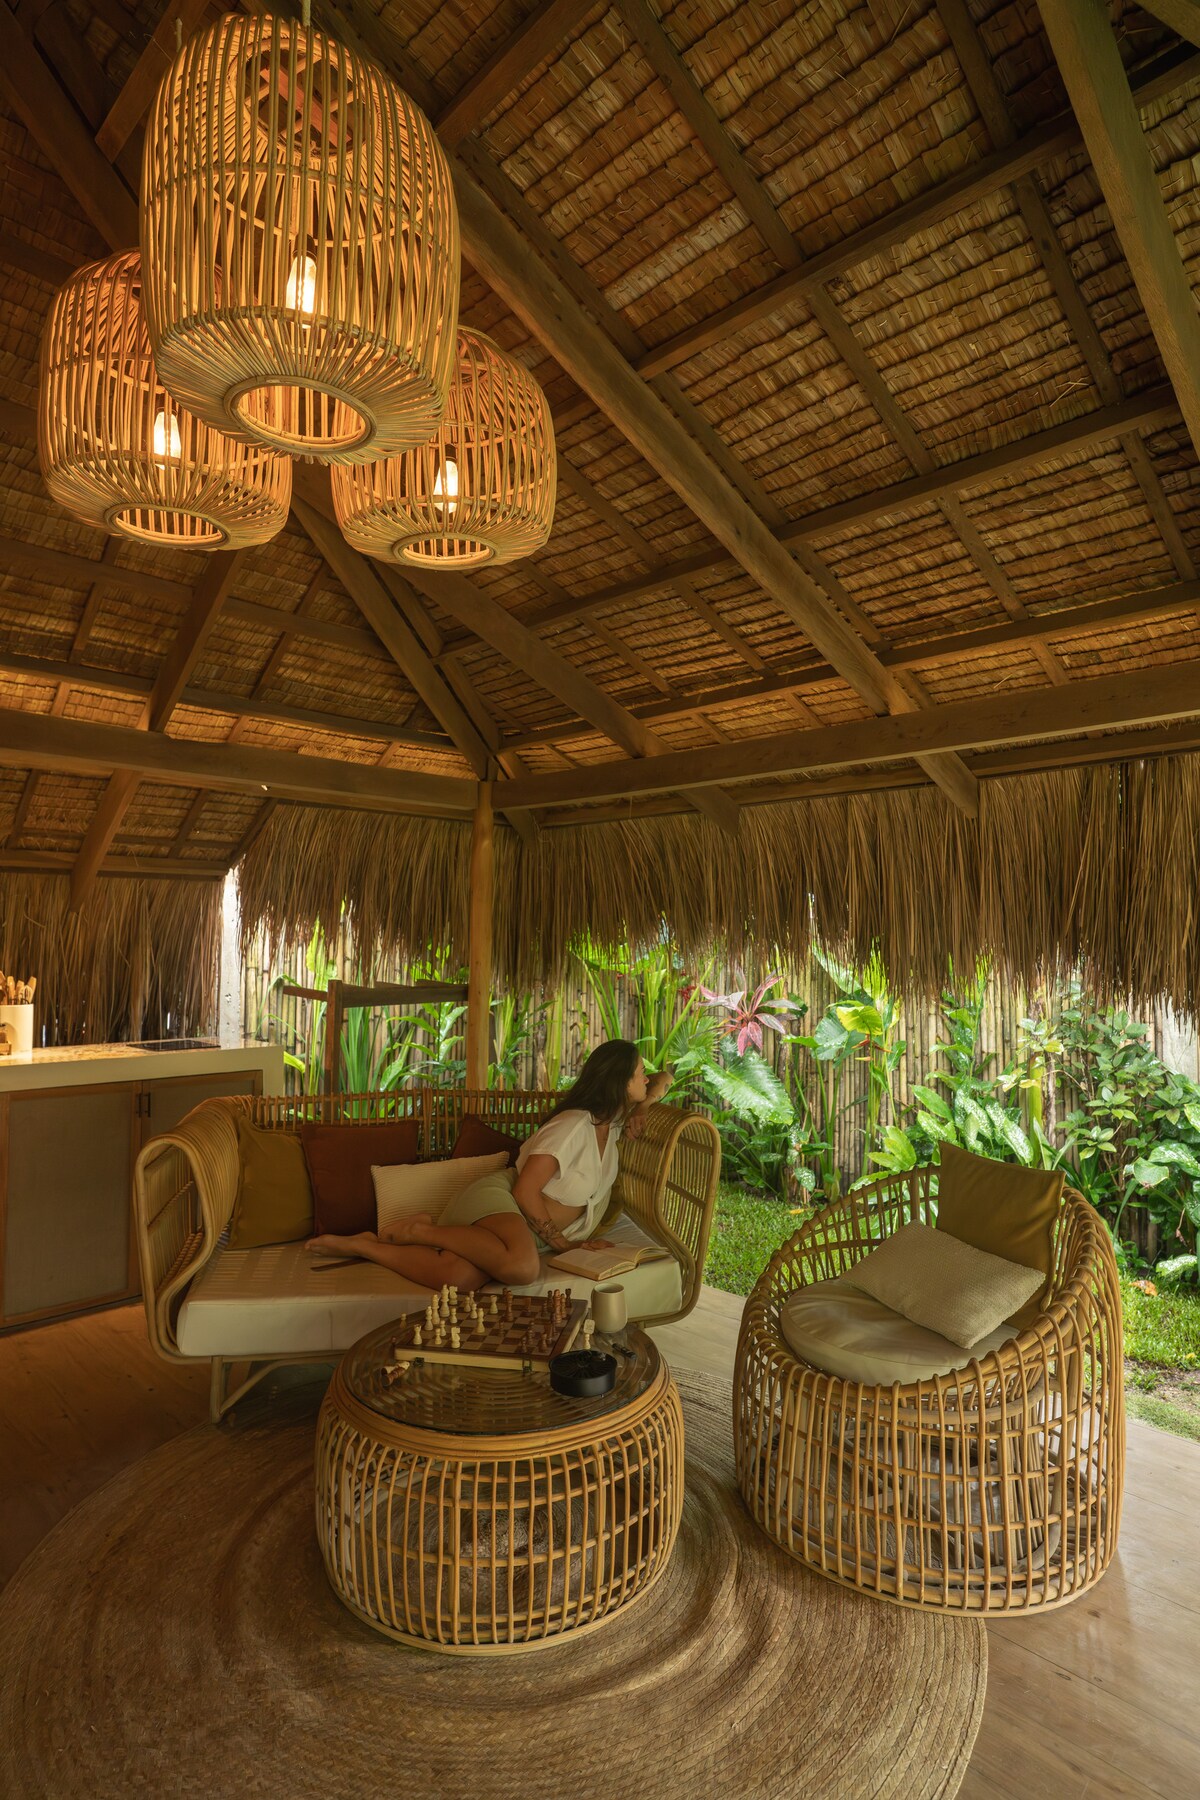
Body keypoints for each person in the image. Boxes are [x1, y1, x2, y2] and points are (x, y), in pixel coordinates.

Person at [305, 1040, 673, 1292]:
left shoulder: (616, 1123)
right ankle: (418, 1232)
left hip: (528, 1232)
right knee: (523, 1269)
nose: (646, 1076)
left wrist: (643, 1105)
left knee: (460, 1277)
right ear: (619, 1081)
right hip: (503, 1203)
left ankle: (367, 1246)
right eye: (639, 1071)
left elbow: (665, 1079)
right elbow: (524, 1191)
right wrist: (563, 1245)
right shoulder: (574, 1125)